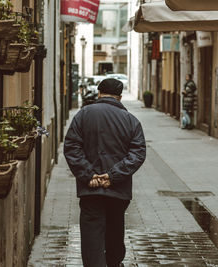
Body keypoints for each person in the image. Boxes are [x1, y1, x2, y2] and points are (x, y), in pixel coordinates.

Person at [64, 78, 146, 267]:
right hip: (118, 190)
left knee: (92, 234)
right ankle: (114, 263)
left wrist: (89, 175)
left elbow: (71, 147)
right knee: (115, 229)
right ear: (119, 97)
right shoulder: (130, 120)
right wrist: (112, 176)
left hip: (90, 190)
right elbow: (138, 153)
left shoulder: (83, 115)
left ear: (99, 93)